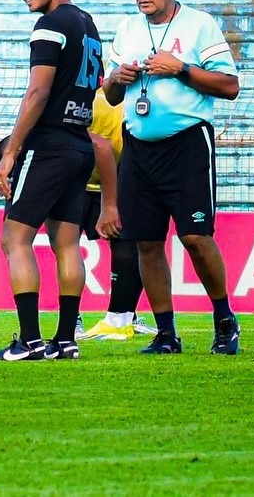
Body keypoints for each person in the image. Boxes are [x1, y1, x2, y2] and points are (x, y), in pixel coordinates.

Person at [103, 0, 241, 355]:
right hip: (138, 145)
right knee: (145, 241)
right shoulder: (128, 28)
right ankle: (166, 333)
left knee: (196, 236)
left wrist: (179, 68)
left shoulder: (199, 24)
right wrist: (117, 78)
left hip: (186, 143)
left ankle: (224, 320)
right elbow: (110, 96)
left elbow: (230, 86)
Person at [0, 0, 101, 362]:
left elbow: (38, 91)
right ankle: (65, 340)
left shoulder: (50, 25)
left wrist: (12, 151)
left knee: (15, 237)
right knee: (66, 243)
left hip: (49, 144)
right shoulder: (87, 24)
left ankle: (31, 341)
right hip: (79, 143)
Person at [75, 90, 155, 341]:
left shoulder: (133, 101)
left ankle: (123, 315)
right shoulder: (130, 99)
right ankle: (76, 318)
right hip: (79, 177)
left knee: (127, 242)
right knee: (67, 243)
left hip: (115, 176)